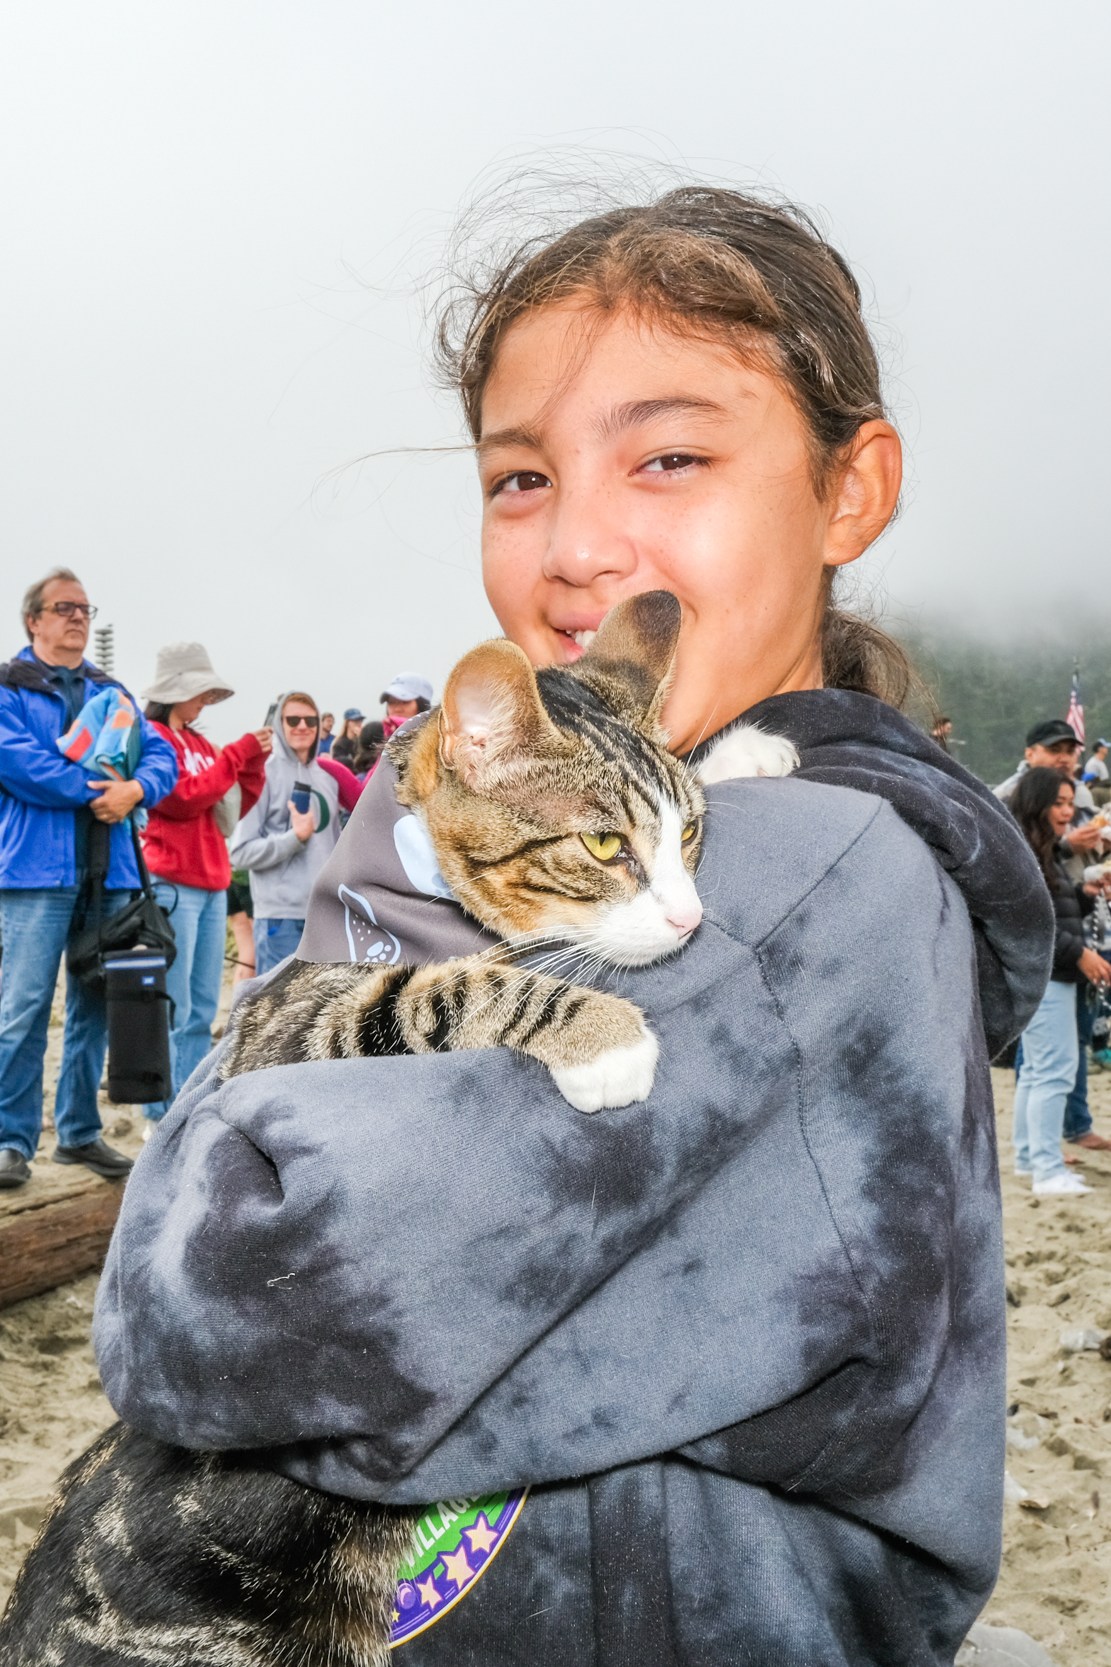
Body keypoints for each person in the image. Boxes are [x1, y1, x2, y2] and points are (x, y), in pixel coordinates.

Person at [96, 186, 1054, 1664]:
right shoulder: (590, 806)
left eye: (668, 456)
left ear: (849, 488)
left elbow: (207, 1306)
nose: (576, 547)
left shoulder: (795, 867)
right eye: (520, 478)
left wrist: (233, 1120)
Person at [0, 567, 176, 1189]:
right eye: (64, 607)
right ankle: (9, 1141)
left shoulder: (114, 691)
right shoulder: (8, 688)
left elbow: (163, 755)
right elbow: (17, 762)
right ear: (34, 620)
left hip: (114, 874)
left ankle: (77, 1134)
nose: (78, 617)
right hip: (35, 876)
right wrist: (96, 790)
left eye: (84, 608)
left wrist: (136, 788)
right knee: (21, 1008)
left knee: (95, 1007)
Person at [139, 643, 270, 1124]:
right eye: (200, 692)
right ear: (178, 690)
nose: (205, 702)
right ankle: (159, 1111)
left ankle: (184, 1105)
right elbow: (181, 797)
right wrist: (238, 753)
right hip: (172, 881)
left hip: (211, 883)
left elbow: (230, 809)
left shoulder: (198, 744)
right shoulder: (152, 736)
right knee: (171, 1004)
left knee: (197, 1007)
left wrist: (251, 763)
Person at [1009, 768, 1111, 1195]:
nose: (1068, 811)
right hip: (1050, 976)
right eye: (1059, 803)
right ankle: (1049, 1172)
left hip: (1044, 976)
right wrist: (1080, 953)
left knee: (1037, 1071)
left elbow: (1056, 915)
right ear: (1037, 804)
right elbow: (1033, 924)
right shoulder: (1029, 853)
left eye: (1071, 802)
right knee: (1055, 1071)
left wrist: (1086, 898)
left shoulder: (1040, 851)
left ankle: (1029, 1157)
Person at [228, 690, 340, 975]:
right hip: (280, 918)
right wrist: (294, 839)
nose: (302, 727)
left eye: (310, 721)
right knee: (279, 1013)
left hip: (326, 915)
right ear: (280, 724)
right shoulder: (263, 774)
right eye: (293, 720)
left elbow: (337, 848)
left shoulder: (327, 779)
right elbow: (240, 853)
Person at [380, 673, 433, 739]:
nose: (397, 709)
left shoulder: (439, 741)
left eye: (405, 702)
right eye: (391, 702)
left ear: (423, 706)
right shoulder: (374, 739)